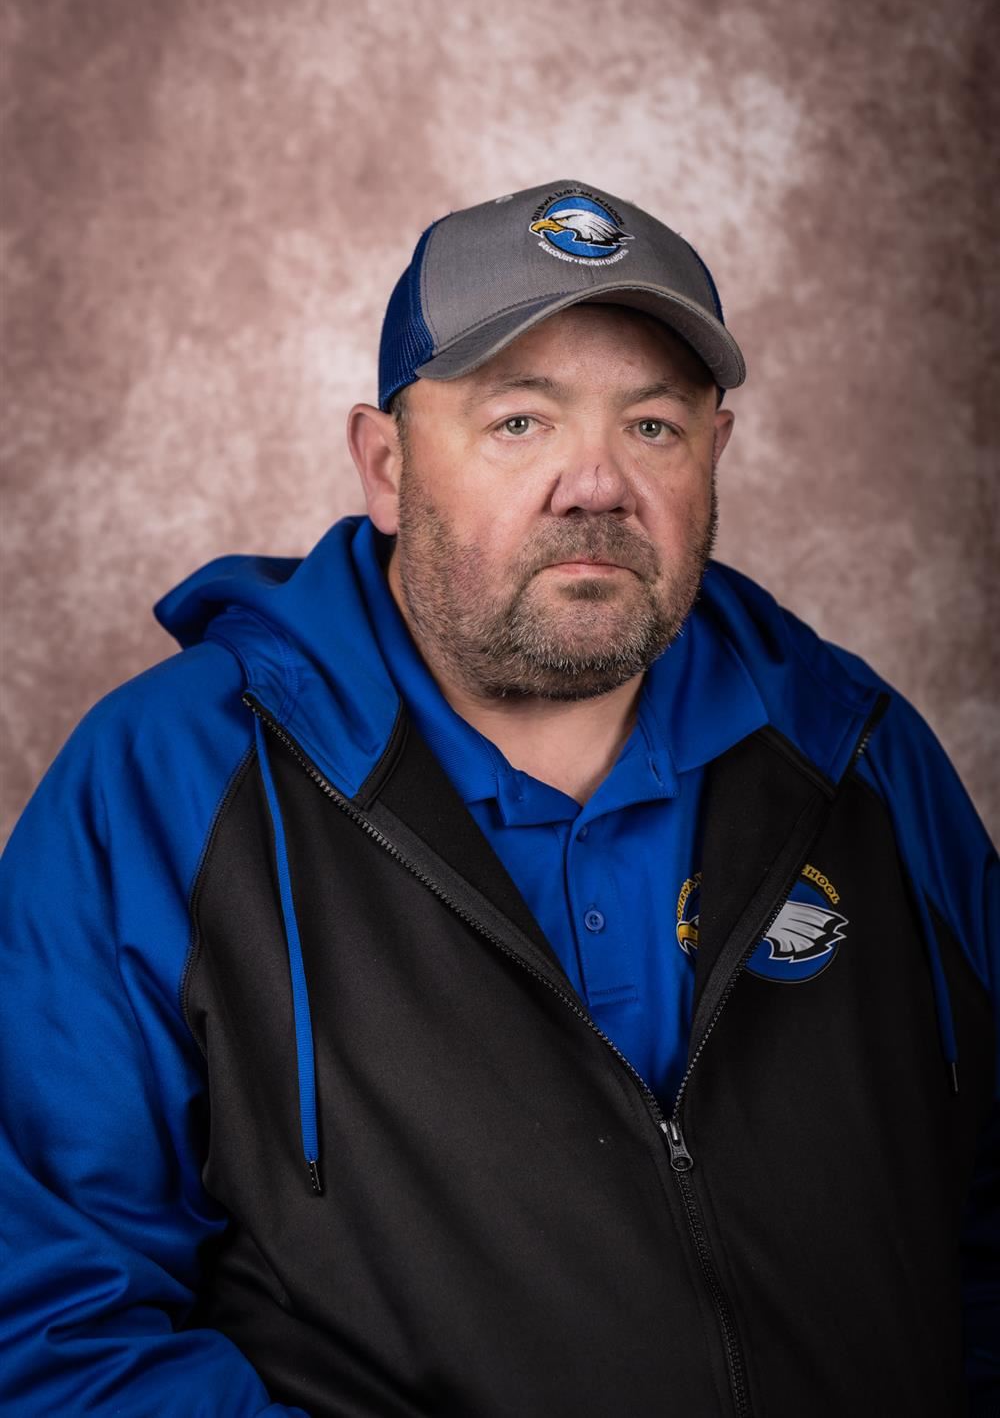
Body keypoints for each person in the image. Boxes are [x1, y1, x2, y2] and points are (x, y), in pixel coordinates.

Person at [0, 180, 996, 1418]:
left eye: (652, 426)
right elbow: (48, 1323)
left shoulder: (855, 751)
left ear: (715, 454)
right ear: (385, 465)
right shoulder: (170, 779)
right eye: (519, 422)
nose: (596, 485)